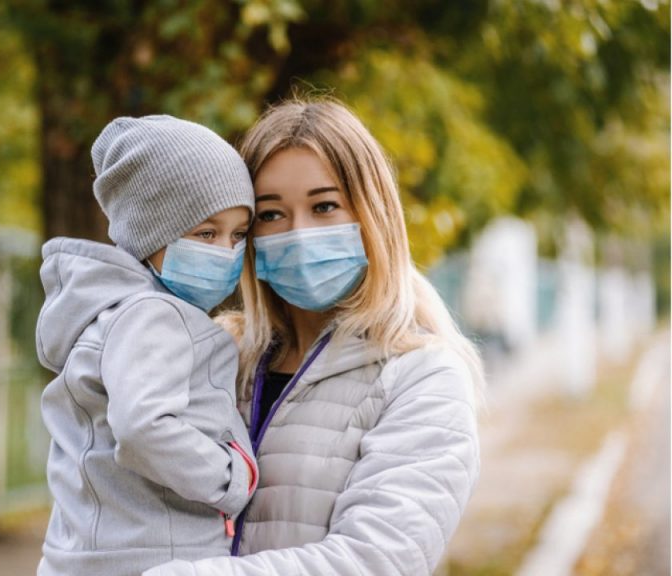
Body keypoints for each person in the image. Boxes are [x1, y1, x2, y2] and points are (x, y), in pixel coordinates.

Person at [144, 98, 483, 576]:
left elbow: (377, 560)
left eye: (324, 206)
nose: (299, 234)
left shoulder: (423, 377)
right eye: (271, 214)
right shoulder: (222, 356)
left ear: (373, 216)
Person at [36, 115, 260, 576]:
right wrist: (232, 477)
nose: (226, 251)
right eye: (206, 233)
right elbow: (142, 426)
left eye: (238, 235)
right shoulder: (155, 314)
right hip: (157, 557)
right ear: (149, 232)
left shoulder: (108, 311)